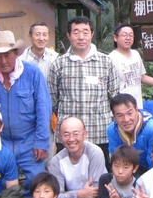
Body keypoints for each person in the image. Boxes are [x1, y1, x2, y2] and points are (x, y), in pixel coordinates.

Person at [0, 30, 52, 191]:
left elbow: (43, 110)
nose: (3, 61)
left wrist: (42, 142)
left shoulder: (33, 73)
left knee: (36, 184)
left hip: (29, 139)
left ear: (16, 53)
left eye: (7, 55)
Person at [47, 16, 120, 149]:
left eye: (85, 32)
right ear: (68, 35)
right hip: (69, 136)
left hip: (99, 132)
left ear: (92, 34)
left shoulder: (106, 62)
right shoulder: (58, 64)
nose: (81, 37)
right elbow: (52, 100)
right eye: (76, 32)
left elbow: (114, 97)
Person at [109, 23, 153, 109]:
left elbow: (141, 77)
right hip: (121, 108)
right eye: (124, 35)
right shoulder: (111, 58)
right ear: (115, 38)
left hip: (137, 106)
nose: (128, 38)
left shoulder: (136, 54)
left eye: (131, 35)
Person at [107, 93, 153, 172]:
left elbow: (152, 163)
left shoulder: (151, 128)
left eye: (130, 113)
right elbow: (116, 160)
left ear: (137, 110)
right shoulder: (112, 130)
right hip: (125, 171)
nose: (126, 119)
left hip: (148, 170)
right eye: (120, 115)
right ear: (114, 116)